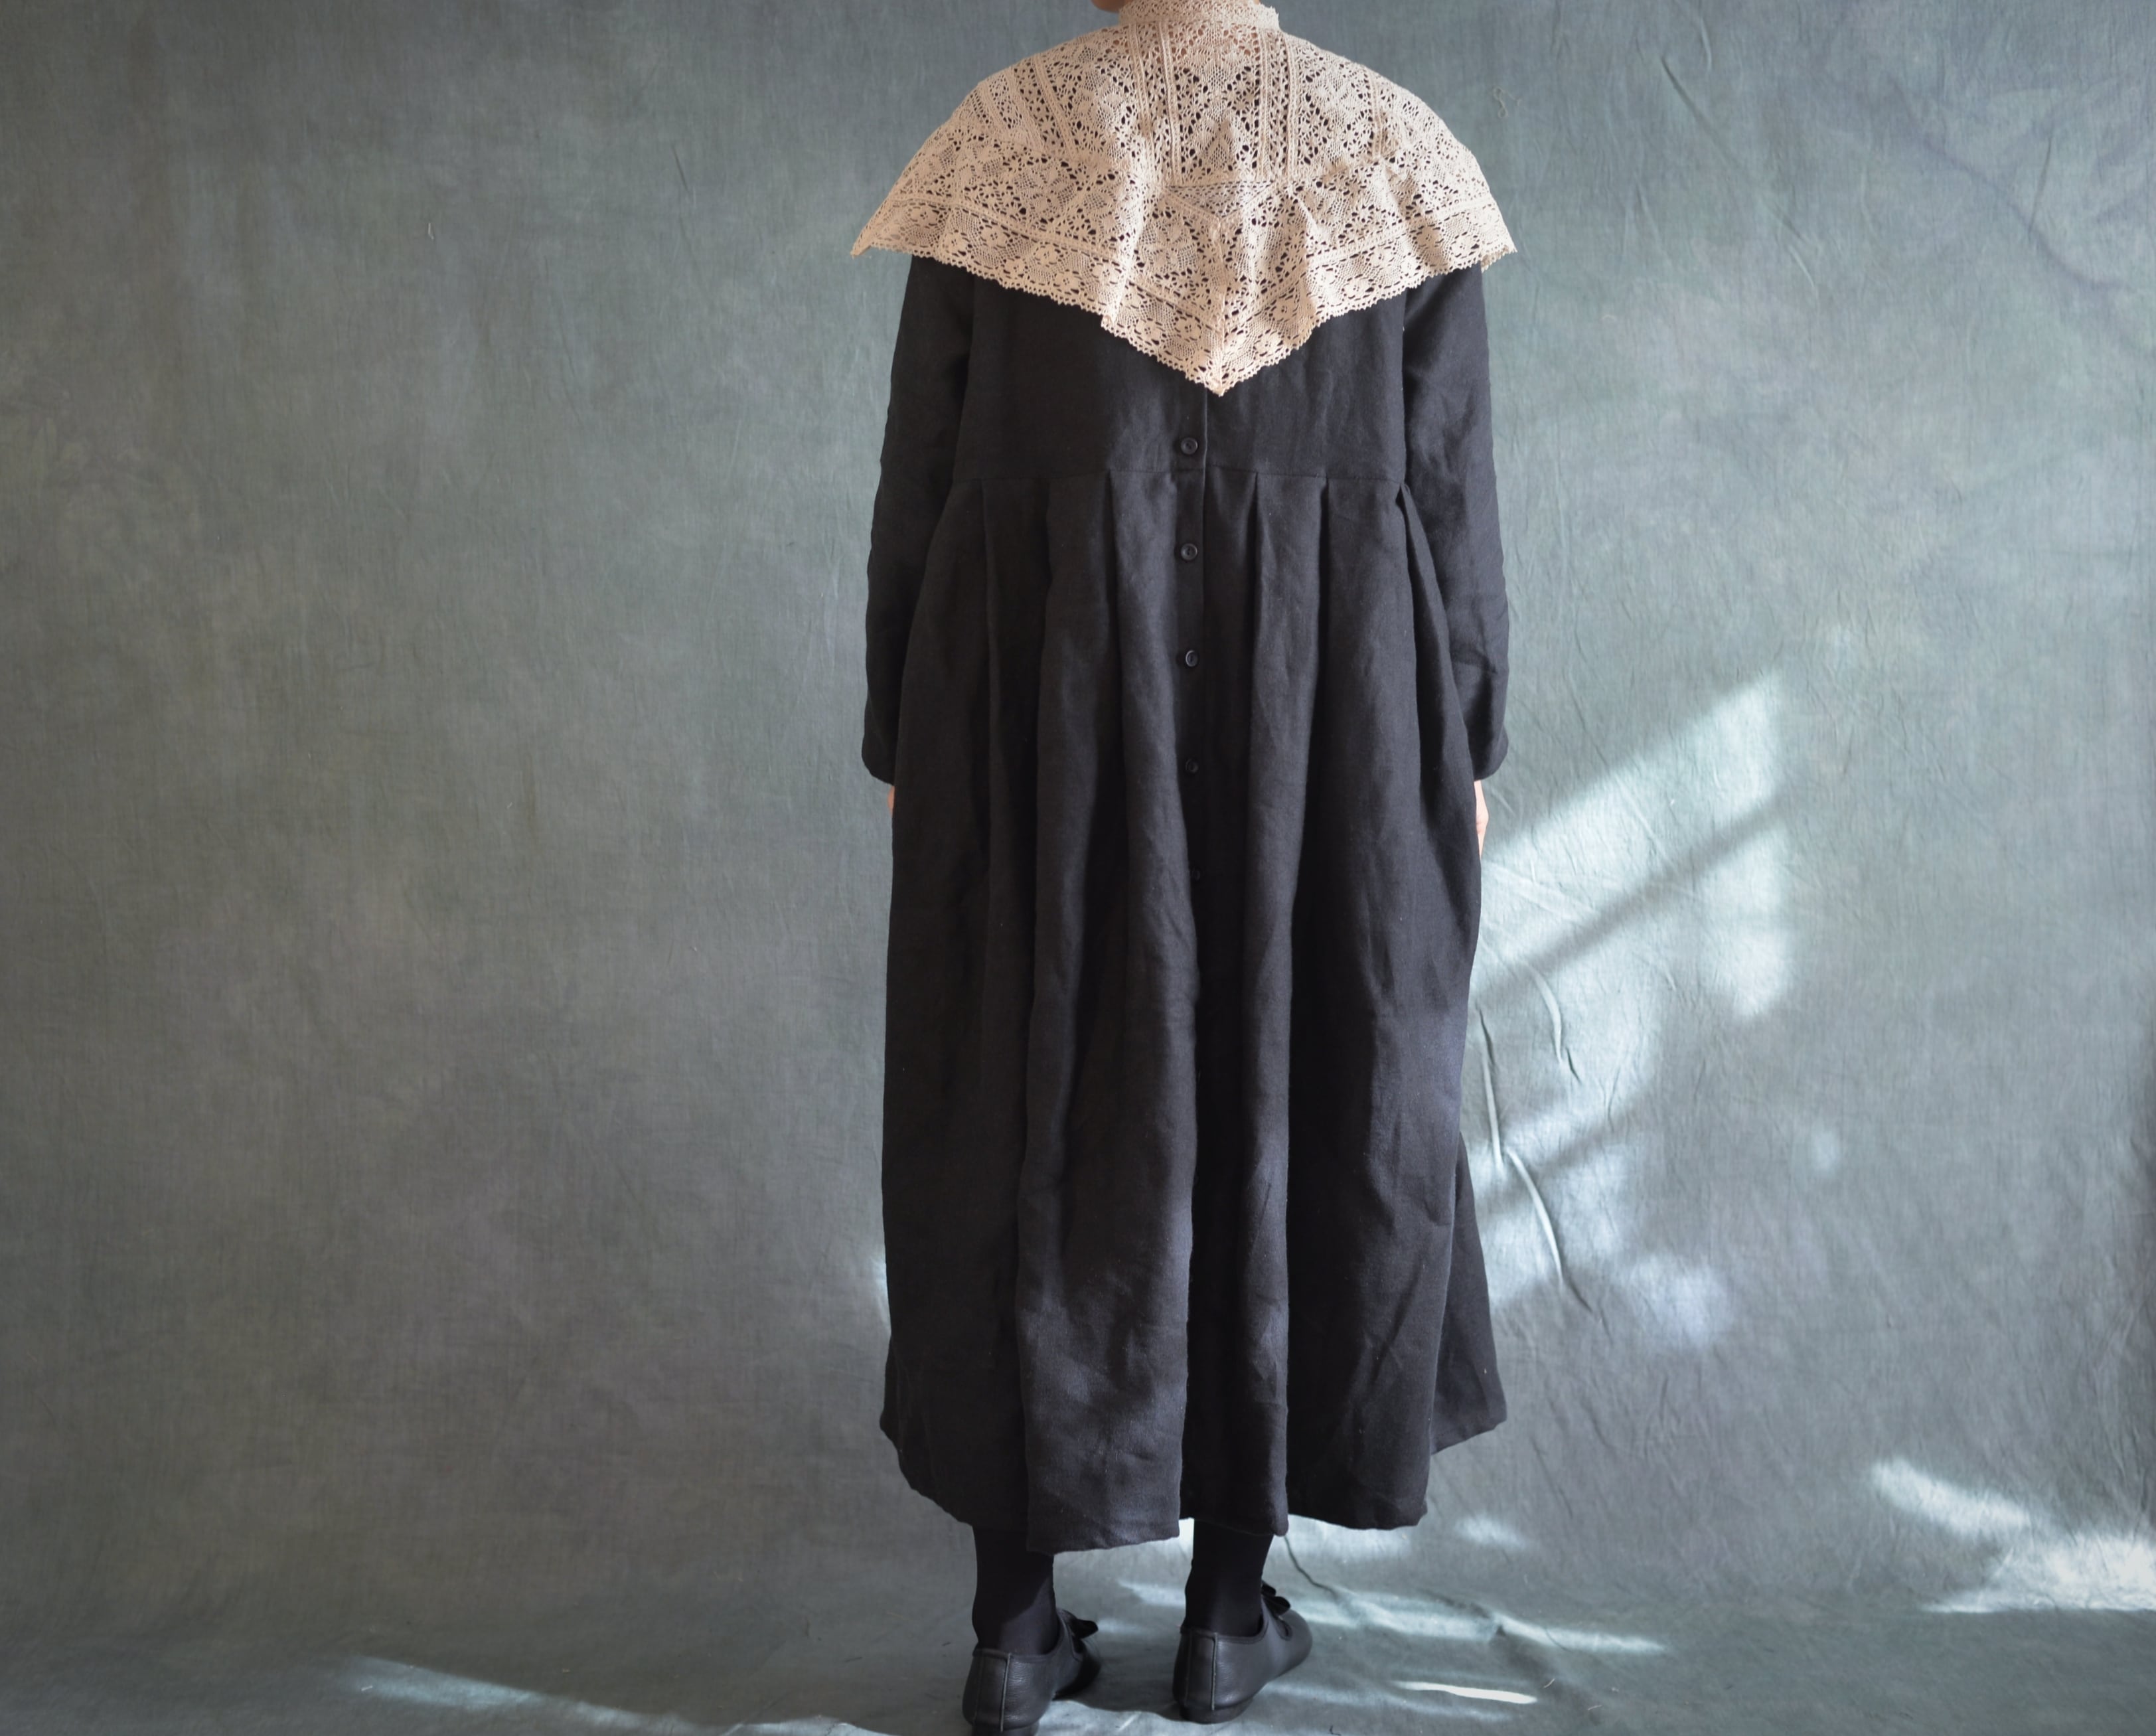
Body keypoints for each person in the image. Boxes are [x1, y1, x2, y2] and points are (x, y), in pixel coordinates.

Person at [851, 0, 1515, 1725]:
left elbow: (922, 470)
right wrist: (1467, 740)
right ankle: (1227, 1617)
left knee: (1027, 1105)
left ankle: (1013, 1631)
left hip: (1038, 707)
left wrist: (906, 733)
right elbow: (1448, 484)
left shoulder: (1006, 141)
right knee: (1295, 1087)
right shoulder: (1390, 150)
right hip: (1336, 712)